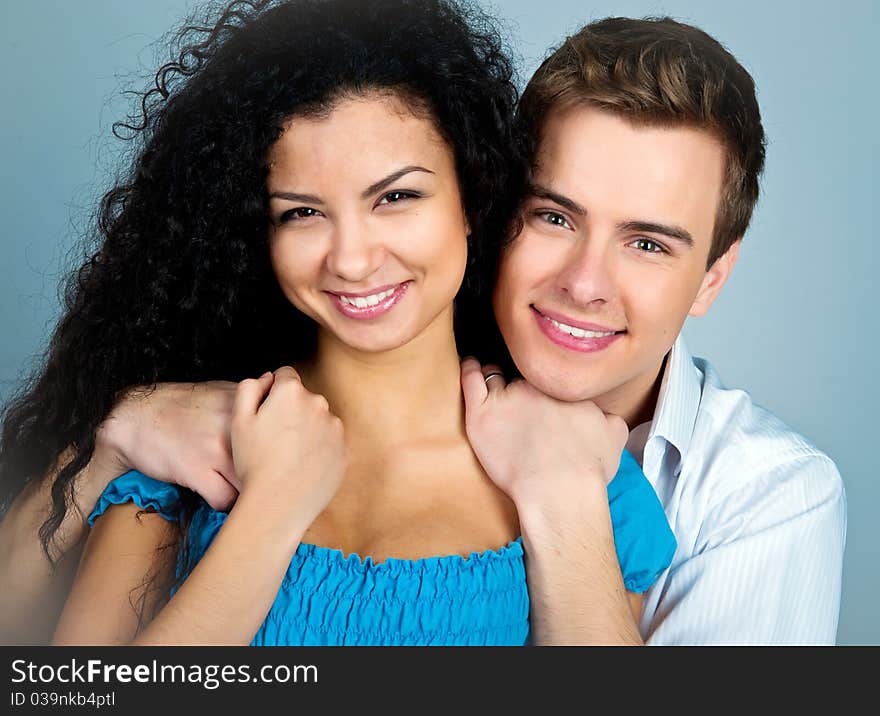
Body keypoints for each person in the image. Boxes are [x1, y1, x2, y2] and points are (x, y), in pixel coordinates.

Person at [0, 0, 674, 646]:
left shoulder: (585, 473)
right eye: (302, 212)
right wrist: (270, 511)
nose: (352, 260)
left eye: (397, 197)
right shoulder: (184, 460)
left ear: (474, 194)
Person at [461, 17, 846, 644]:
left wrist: (566, 497)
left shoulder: (776, 497)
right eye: (554, 217)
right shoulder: (370, 393)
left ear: (712, 278)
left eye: (646, 243)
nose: (584, 284)